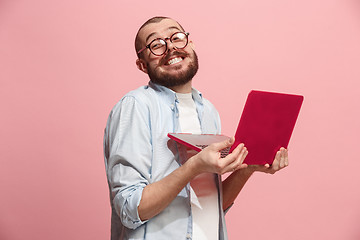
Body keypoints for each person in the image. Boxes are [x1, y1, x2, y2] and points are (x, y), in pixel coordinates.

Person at [103, 16, 289, 240]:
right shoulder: (135, 107)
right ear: (142, 65)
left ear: (190, 44)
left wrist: (247, 169)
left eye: (177, 37)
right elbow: (128, 208)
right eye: (156, 44)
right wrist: (193, 167)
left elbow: (208, 206)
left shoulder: (208, 110)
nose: (170, 47)